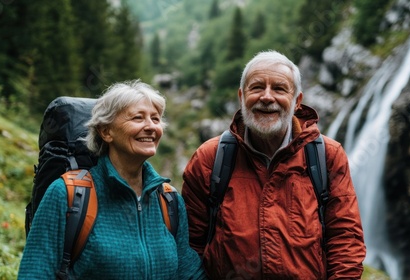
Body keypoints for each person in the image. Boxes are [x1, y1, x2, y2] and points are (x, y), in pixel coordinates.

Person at [182, 50, 366, 279]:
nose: (267, 97)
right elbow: (190, 247)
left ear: (297, 101)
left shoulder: (327, 155)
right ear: (242, 96)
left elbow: (345, 241)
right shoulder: (210, 158)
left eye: (279, 89)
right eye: (257, 87)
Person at [18, 80, 206, 279]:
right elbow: (35, 272)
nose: (151, 127)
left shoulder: (169, 201)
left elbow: (188, 272)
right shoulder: (67, 194)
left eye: (156, 119)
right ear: (106, 131)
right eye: (137, 118)